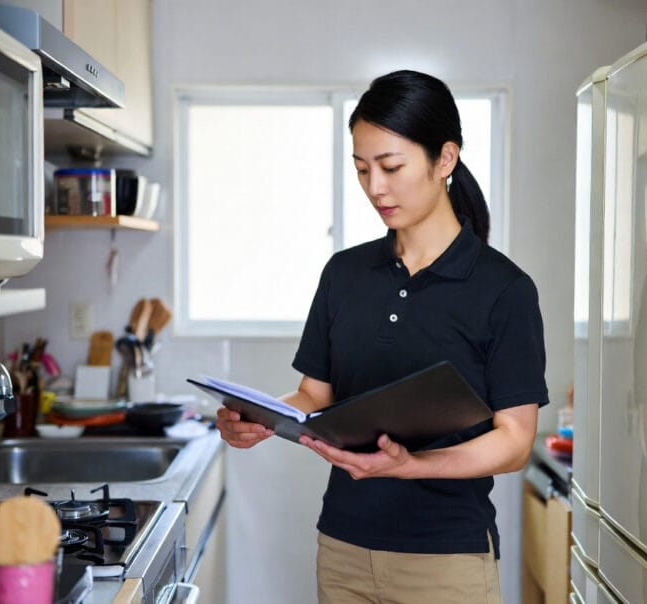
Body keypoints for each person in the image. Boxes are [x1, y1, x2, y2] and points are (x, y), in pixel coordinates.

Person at [216, 70, 548, 604]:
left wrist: (414, 465)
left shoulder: (503, 290)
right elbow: (314, 398)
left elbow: (514, 441)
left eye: (391, 167)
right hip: (344, 547)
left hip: (446, 561)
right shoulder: (344, 274)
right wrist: (258, 418)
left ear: (445, 159)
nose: (375, 188)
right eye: (362, 168)